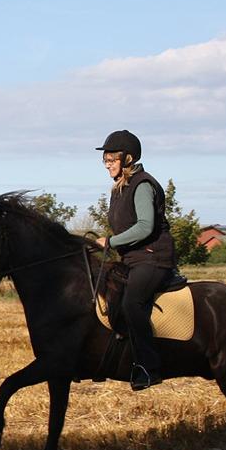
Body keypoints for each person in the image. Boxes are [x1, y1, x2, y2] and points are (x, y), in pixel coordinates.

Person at [92, 129, 177, 391]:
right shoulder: (119, 188)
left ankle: (148, 368)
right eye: (105, 161)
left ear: (127, 159)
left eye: (111, 160)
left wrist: (111, 242)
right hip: (133, 260)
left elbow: (144, 227)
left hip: (154, 259)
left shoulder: (141, 185)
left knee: (131, 303)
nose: (107, 165)